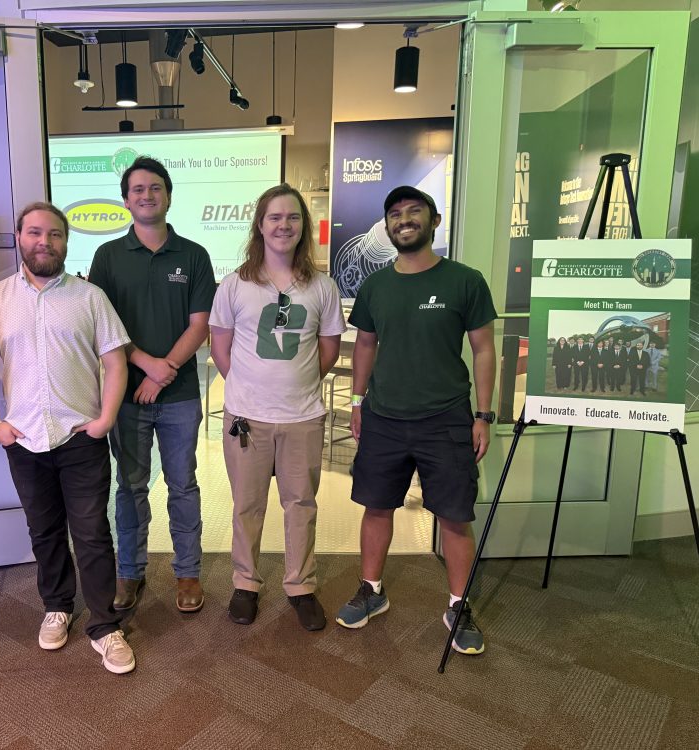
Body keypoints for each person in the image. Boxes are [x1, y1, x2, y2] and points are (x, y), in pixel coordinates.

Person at [0, 201, 136, 674]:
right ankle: (57, 606)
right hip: (24, 442)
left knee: (92, 535)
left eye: (55, 234)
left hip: (80, 437)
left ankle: (105, 626)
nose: (45, 242)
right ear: (20, 237)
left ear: (67, 241)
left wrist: (105, 418)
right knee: (43, 532)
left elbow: (115, 362)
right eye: (35, 233)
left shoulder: (90, 298)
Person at [336, 186, 497, 656]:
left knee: (453, 516)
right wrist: (357, 401)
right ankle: (372, 589)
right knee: (376, 506)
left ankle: (458, 604)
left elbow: (485, 348)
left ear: (434, 220)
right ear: (387, 226)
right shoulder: (376, 286)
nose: (404, 220)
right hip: (384, 417)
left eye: (414, 212)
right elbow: (365, 344)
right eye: (395, 214)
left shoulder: (464, 281)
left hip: (446, 418)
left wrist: (484, 414)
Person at [209, 184, 346, 631]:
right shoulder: (235, 285)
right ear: (260, 226)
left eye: (292, 218)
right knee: (247, 505)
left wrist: (293, 387)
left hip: (302, 417)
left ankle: (300, 586)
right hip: (247, 417)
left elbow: (327, 352)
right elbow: (221, 349)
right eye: (274, 217)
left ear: (303, 226)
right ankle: (246, 583)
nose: (283, 225)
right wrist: (252, 389)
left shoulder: (322, 287)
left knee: (300, 504)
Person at [89, 157, 216, 613]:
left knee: (183, 485)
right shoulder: (107, 257)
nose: (147, 195)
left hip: (180, 396)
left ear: (168, 195)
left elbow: (199, 324)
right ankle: (131, 572)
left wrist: (166, 372)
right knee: (130, 487)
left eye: (155, 187)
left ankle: (188, 573)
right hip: (125, 396)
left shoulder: (194, 255)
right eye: (138, 189)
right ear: (127, 200)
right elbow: (102, 326)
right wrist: (147, 365)